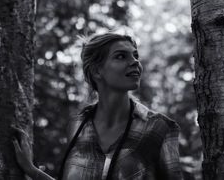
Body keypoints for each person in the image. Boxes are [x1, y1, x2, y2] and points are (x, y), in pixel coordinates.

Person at [12, 32, 182, 180]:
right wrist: (31, 170)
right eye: (121, 56)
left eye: (135, 55)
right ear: (96, 71)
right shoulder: (77, 126)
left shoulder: (160, 128)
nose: (135, 62)